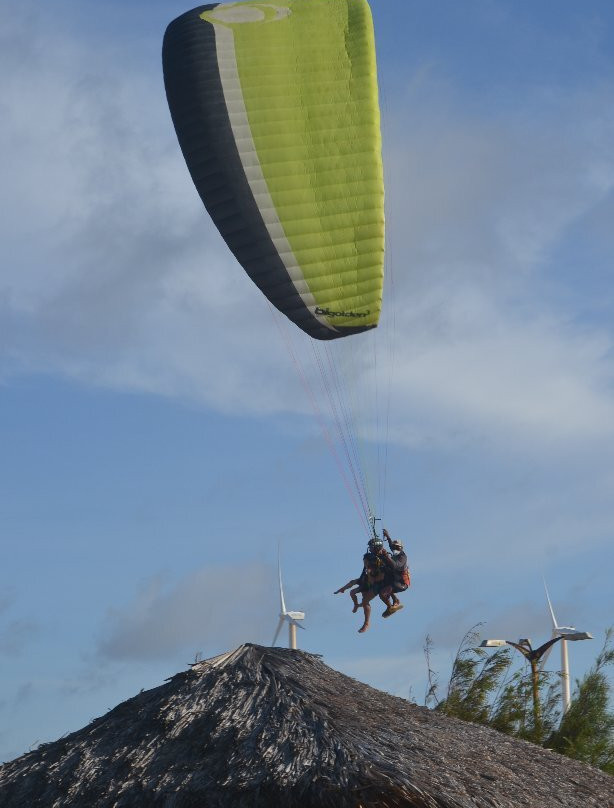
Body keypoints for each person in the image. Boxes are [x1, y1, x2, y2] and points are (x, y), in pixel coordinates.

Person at [379, 528, 410, 617]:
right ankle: (395, 601)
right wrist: (387, 536)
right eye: (395, 547)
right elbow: (391, 545)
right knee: (383, 579)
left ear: (401, 548)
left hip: (402, 583)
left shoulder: (402, 557)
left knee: (382, 593)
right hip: (395, 579)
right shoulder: (395, 552)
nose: (395, 548)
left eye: (397, 547)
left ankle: (390, 608)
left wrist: (386, 556)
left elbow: (395, 566)